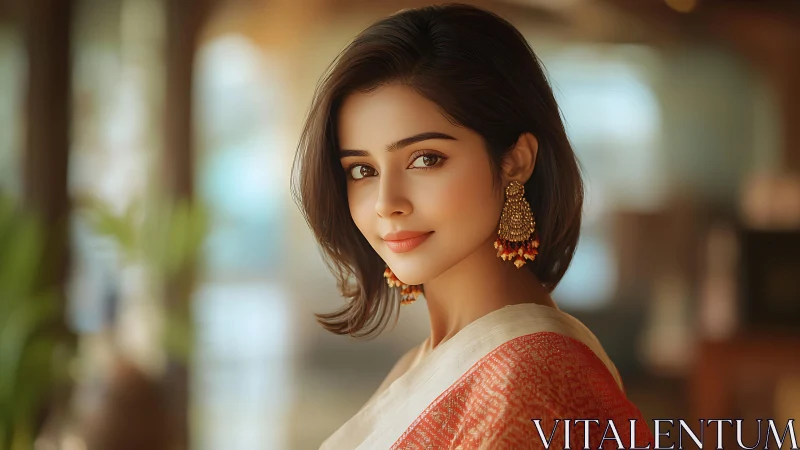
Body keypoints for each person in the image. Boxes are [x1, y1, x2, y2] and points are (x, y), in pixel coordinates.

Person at [291, 3, 655, 449]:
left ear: (515, 162)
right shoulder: (432, 360)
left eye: (425, 159)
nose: (387, 204)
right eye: (362, 170)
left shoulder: (529, 384)